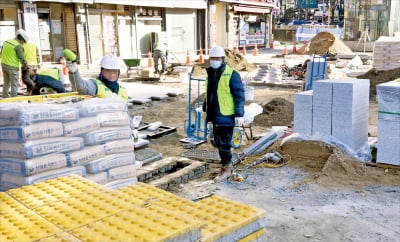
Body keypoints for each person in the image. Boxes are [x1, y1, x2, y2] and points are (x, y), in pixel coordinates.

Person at [198, 45, 245, 182]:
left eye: (217, 58)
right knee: (217, 142)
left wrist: (239, 114)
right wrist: (205, 109)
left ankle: (227, 169)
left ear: (223, 59)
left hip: (226, 116)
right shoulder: (211, 74)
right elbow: (210, 94)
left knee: (224, 144)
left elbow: (239, 95)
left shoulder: (231, 74)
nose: (214, 61)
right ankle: (225, 166)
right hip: (215, 115)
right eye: (212, 58)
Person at [64, 49, 128, 102]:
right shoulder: (95, 85)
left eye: (114, 72)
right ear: (102, 71)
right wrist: (74, 71)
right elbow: (81, 87)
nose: (111, 75)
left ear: (118, 73)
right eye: (108, 71)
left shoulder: (122, 90)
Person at [1, 29, 31, 98]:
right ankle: (13, 99)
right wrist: (28, 68)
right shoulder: (18, 46)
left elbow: (1, 53)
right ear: (21, 39)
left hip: (4, 65)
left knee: (6, 82)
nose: (23, 43)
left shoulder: (6, 42)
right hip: (12, 67)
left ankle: (5, 97)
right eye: (24, 42)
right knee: (15, 84)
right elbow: (22, 59)